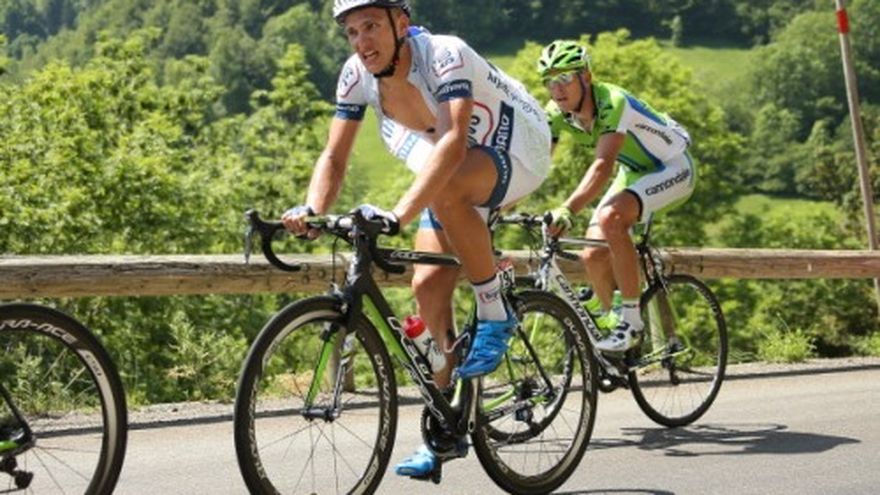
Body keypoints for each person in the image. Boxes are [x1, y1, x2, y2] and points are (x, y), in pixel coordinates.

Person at [282, 0, 552, 477]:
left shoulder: (444, 54)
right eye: (351, 32)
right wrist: (312, 210)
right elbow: (335, 156)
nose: (361, 41)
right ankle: (446, 429)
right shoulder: (356, 76)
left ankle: (495, 310)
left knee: (448, 190)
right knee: (426, 287)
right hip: (454, 173)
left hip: (517, 147)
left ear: (401, 24)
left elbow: (453, 142)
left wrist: (398, 214)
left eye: (371, 26)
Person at [537, 39, 696, 353]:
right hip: (634, 172)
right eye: (549, 82)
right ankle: (615, 335)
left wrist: (567, 209)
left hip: (673, 168)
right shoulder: (555, 113)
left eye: (564, 78)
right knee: (593, 254)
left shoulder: (613, 101)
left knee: (612, 218)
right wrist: (498, 204)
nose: (557, 89)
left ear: (586, 76)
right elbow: (535, 164)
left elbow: (602, 166)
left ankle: (632, 323)